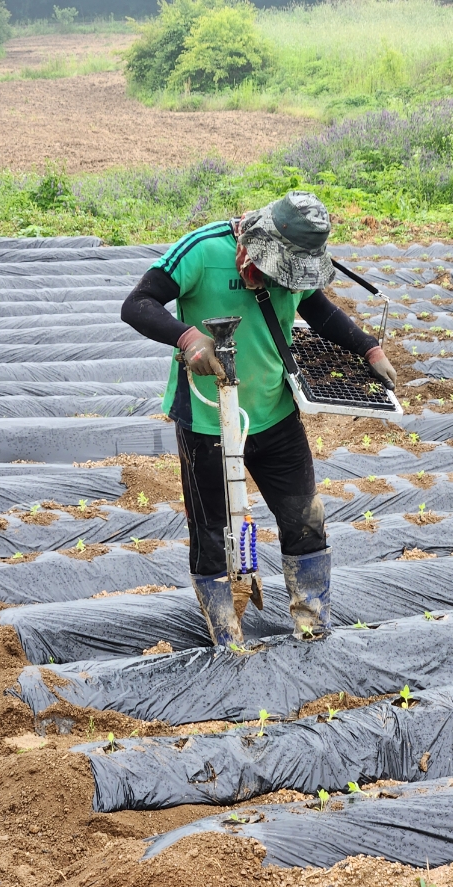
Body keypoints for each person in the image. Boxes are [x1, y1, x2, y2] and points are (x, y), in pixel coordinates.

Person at [121, 191, 397, 647]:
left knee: (305, 520)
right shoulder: (203, 250)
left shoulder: (298, 263)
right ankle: (228, 638)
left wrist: (368, 346)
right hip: (208, 420)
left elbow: (317, 308)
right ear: (254, 243)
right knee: (210, 534)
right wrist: (188, 339)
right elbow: (138, 304)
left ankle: (313, 629)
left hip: (275, 414)